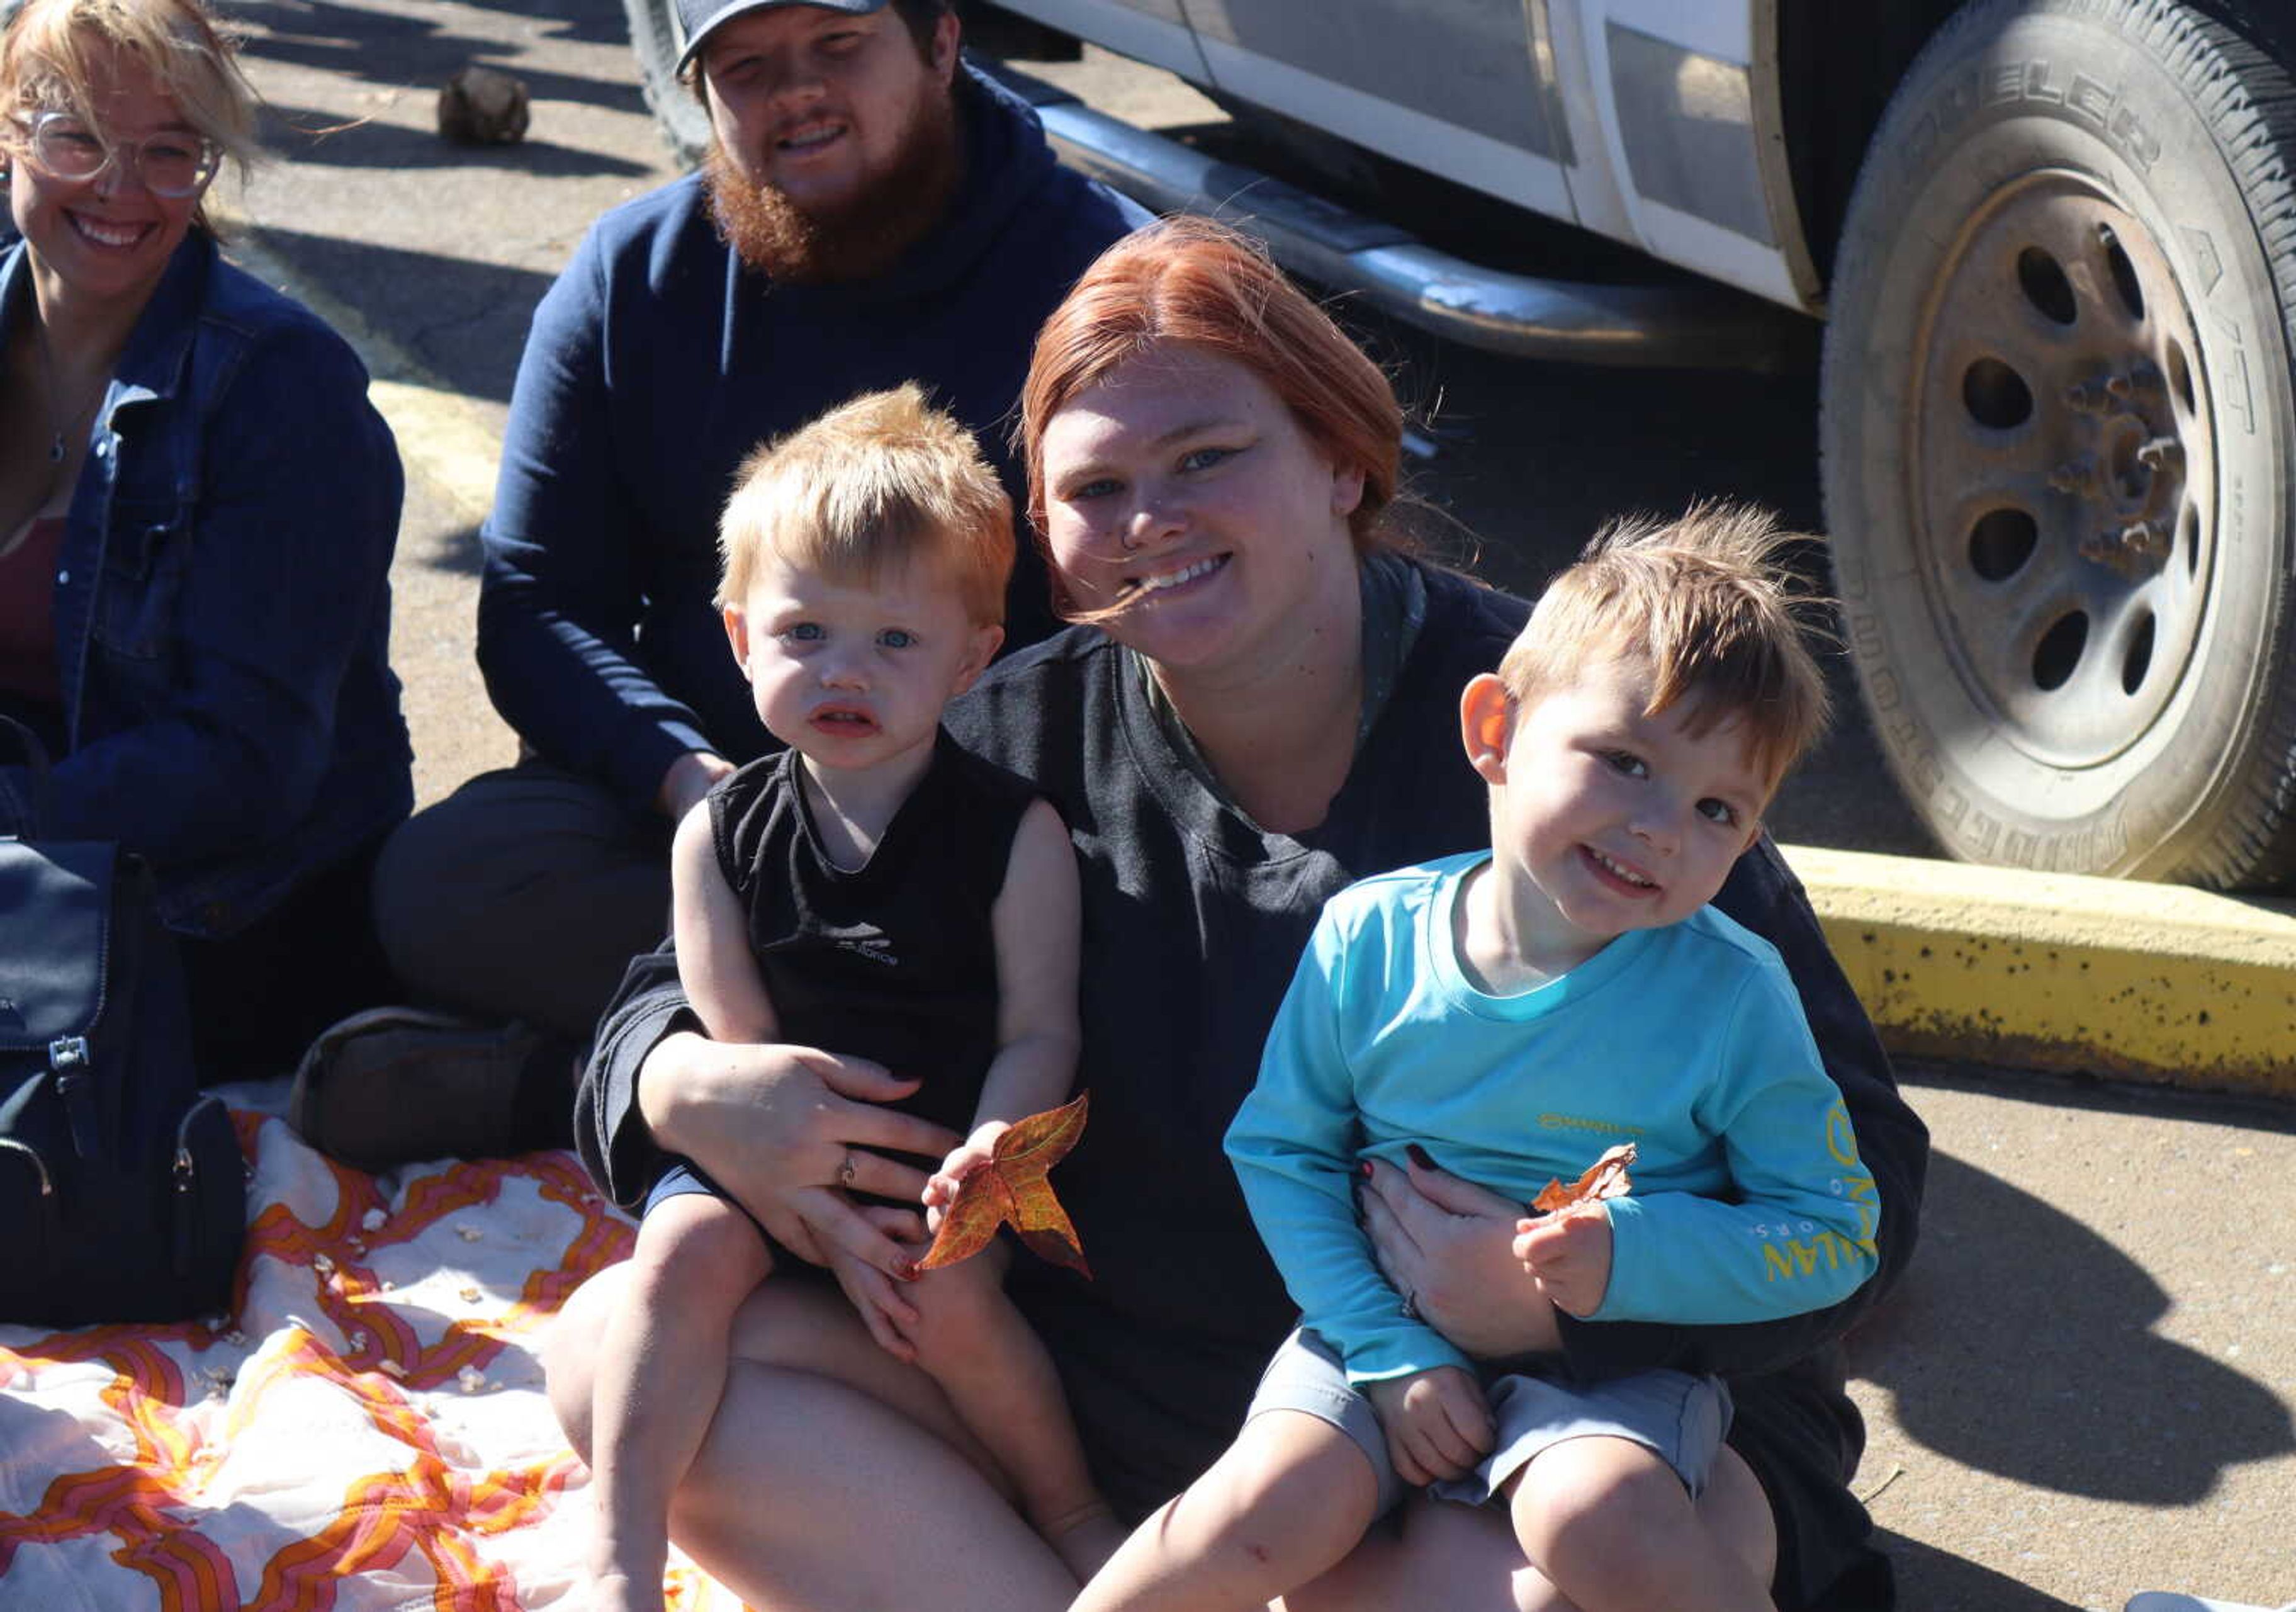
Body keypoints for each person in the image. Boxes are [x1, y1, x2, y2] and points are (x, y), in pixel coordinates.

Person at [544, 217, 1930, 1612]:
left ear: (1340, 458)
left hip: (1540, 1428)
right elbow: (664, 984)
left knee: (1529, 1586)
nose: (1155, 518)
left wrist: (1576, 1289)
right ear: (1048, 543)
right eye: (1099, 488)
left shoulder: (1588, 743)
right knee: (619, 1355)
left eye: (1208, 458)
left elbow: (1868, 1180)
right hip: (1147, 1416)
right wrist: (689, 1082)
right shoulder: (997, 745)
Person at [300, 0, 1149, 1166]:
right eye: (746, 66)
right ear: (697, 91)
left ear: (944, 43)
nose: (795, 90)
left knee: (1173, 946)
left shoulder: (1102, 279)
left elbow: (1158, 616)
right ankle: (725, 1081)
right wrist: (703, 794)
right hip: (707, 822)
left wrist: (948, 825)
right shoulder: (632, 276)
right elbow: (540, 601)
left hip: (1007, 848)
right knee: (447, 879)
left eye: (838, 46)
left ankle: (591, 1088)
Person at [1074, 509, 1876, 1612]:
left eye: (1716, 807)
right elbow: (1282, 1150)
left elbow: (1835, 1231)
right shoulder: (1371, 936)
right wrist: (1387, 1346)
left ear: (1749, 840)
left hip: (1612, 1367)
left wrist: (1628, 1263)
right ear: (1495, 727)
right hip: (1380, 1329)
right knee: (1259, 1507)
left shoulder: (1733, 993)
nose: (1659, 828)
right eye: (1626, 761)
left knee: (1597, 1518)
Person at [586, 385, 1115, 1612]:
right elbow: (738, 1050)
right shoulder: (718, 832)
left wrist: (994, 1146)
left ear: (976, 654)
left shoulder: (1013, 832)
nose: (844, 671)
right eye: (806, 631)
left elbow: (1043, 1024)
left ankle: (1071, 1505)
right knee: (677, 1250)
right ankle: (619, 1547)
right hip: (779, 1161)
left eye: (894, 641)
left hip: (937, 1166)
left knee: (964, 1302)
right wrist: (798, 1197)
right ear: (736, 637)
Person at [0, 0, 408, 1083]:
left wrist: (11, 812)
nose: (121, 190)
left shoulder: (283, 390)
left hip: (225, 910)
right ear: (9, 130)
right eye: (77, 136)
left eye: (168, 154)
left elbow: (246, 766)